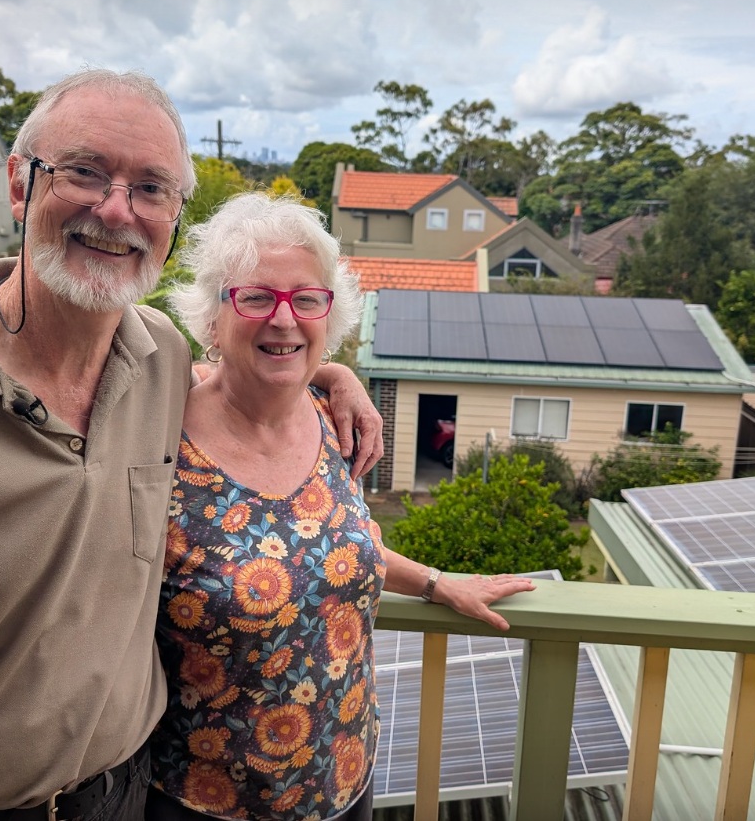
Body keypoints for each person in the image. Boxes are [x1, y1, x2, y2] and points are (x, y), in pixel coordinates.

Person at [0, 70, 382, 821]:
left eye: (151, 188)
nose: (117, 210)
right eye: (83, 173)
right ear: (19, 186)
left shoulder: (159, 361)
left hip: (123, 797)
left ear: (173, 217)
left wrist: (331, 374)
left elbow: (251, 368)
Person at [146, 193, 535, 821]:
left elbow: (329, 547)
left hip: (345, 780)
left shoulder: (334, 423)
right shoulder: (159, 438)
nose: (283, 318)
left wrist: (437, 583)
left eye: (306, 299)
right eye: (255, 297)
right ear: (213, 316)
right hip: (210, 802)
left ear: (329, 314)